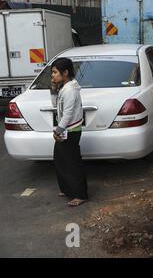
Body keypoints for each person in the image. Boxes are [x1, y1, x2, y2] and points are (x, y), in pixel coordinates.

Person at [50, 58, 88, 207]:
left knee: (72, 163)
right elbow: (55, 105)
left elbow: (68, 114)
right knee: (60, 160)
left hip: (71, 130)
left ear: (65, 73)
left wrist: (58, 130)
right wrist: (53, 88)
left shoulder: (70, 90)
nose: (52, 75)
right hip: (65, 130)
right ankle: (67, 189)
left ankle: (80, 194)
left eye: (54, 72)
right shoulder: (64, 87)